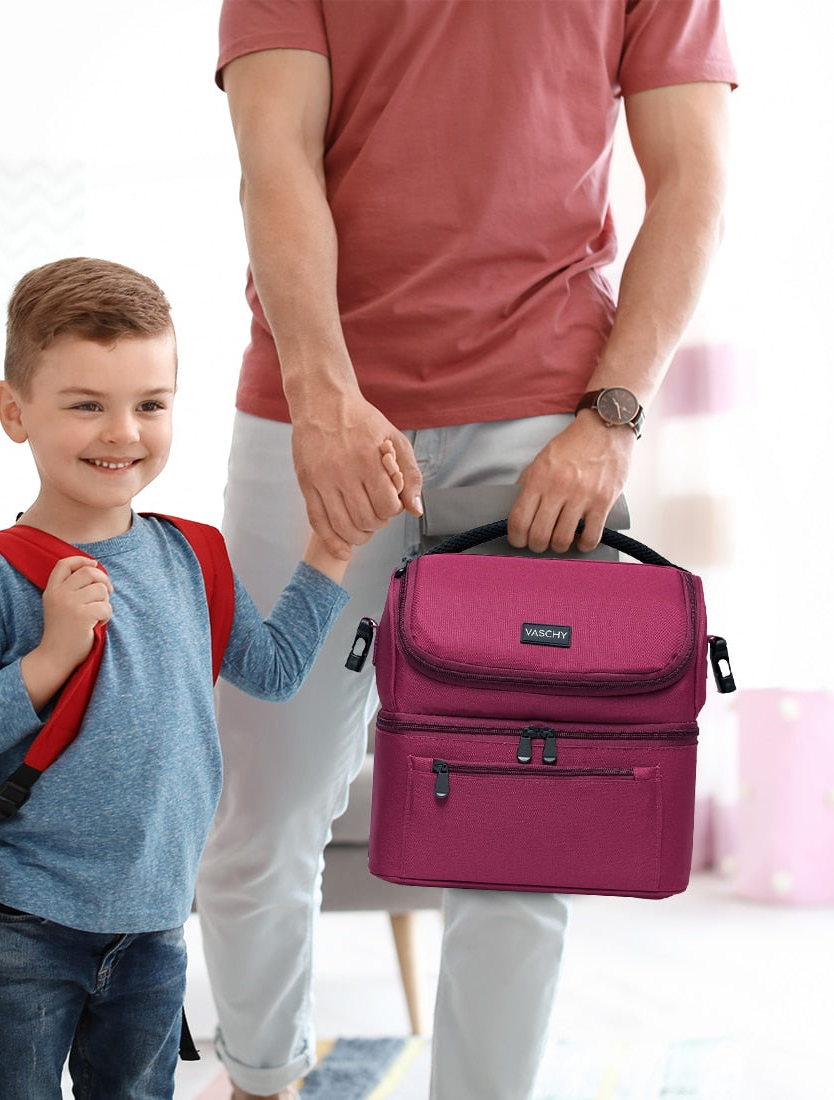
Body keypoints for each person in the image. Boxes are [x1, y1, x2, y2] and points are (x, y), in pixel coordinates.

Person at [196, 3, 737, 1099]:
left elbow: (691, 181)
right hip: (312, 414)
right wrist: (320, 396)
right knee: (264, 796)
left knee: (519, 823)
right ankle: (257, 1079)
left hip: (547, 422)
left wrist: (611, 420)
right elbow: (275, 157)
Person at [0, 256, 403, 1100]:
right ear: (13, 411)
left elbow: (274, 673)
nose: (122, 433)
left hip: (154, 921)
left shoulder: (192, 554)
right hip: (19, 922)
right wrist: (49, 657)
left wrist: (330, 551)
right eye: (86, 405)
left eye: (150, 405)